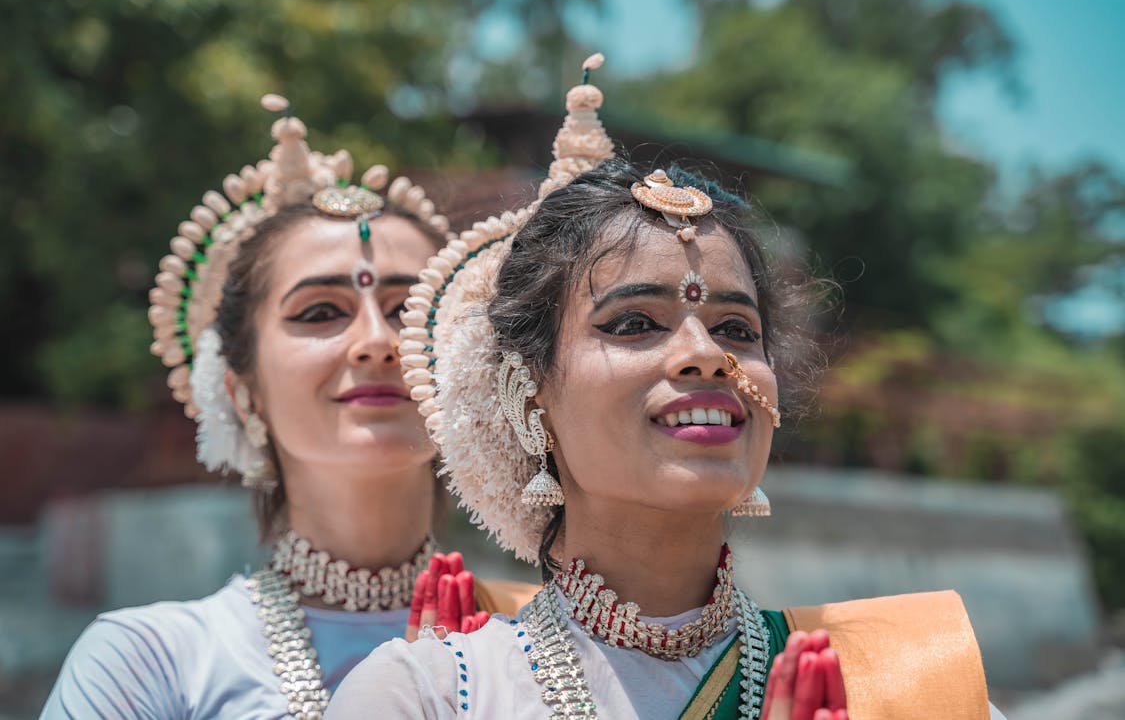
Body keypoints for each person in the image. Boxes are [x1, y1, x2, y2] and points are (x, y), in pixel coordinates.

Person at [326, 57, 1005, 719]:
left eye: (737, 330)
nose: (705, 356)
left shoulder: (900, 684)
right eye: (633, 322)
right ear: (526, 392)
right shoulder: (429, 695)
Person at [42, 95, 536, 720]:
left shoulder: (549, 645)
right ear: (239, 392)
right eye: (321, 312)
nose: (377, 343)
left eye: (409, 311)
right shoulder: (154, 662)